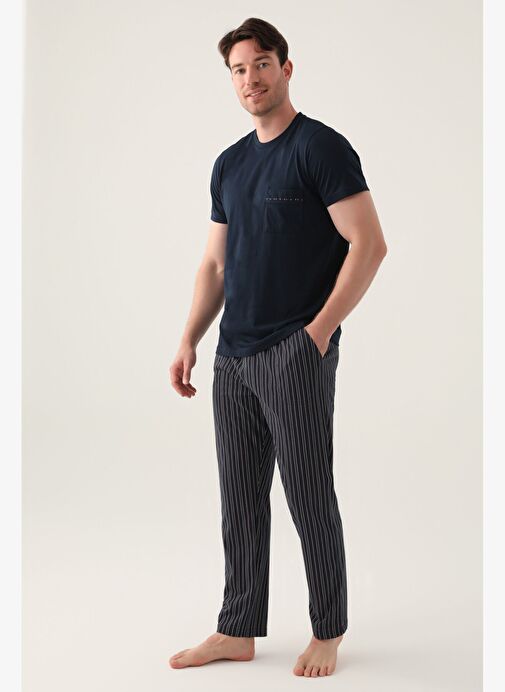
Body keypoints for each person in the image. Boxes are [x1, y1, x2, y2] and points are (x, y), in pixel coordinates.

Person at [168, 17, 387, 678]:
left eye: (261, 64)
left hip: (294, 352)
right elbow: (215, 265)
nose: (250, 79)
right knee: (239, 499)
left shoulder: (319, 148)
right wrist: (189, 337)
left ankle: (328, 630)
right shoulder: (229, 164)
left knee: (307, 493)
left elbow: (369, 244)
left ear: (285, 69)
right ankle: (237, 629)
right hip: (232, 357)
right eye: (238, 69)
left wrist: (317, 334)